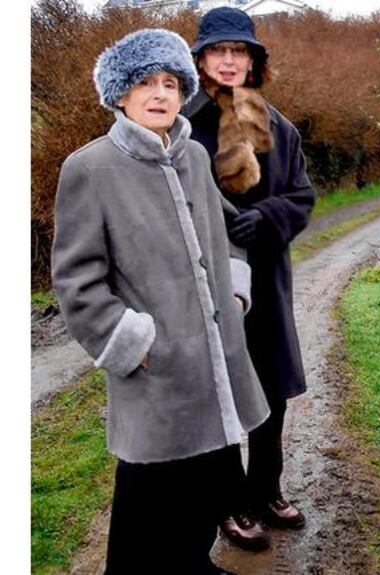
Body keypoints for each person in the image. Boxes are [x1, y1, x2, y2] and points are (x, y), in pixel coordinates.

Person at [51, 28, 271, 573]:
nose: (159, 94)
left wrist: (237, 293)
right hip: (156, 369)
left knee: (207, 483)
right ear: (119, 94)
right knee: (147, 498)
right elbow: (76, 279)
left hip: (215, 359)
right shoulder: (90, 168)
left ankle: (194, 565)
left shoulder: (195, 155)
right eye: (145, 82)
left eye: (171, 83)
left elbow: (230, 231)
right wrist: (134, 343)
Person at [182, 6, 315, 545]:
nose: (230, 60)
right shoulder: (181, 125)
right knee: (216, 392)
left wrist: (272, 217)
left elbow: (302, 196)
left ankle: (266, 488)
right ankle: (230, 502)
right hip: (204, 282)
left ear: (254, 61)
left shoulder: (278, 127)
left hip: (267, 276)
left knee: (269, 392)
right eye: (219, 51)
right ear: (202, 60)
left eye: (239, 51)